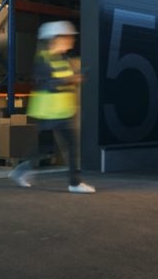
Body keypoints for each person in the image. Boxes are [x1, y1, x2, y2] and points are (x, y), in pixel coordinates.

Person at [8, 21, 95, 193]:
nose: (71, 41)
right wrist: (70, 80)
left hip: (63, 111)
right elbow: (47, 83)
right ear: (55, 39)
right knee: (47, 148)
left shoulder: (63, 59)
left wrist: (75, 79)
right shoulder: (43, 59)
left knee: (64, 147)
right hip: (48, 112)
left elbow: (63, 83)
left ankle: (73, 183)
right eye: (67, 37)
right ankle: (24, 171)